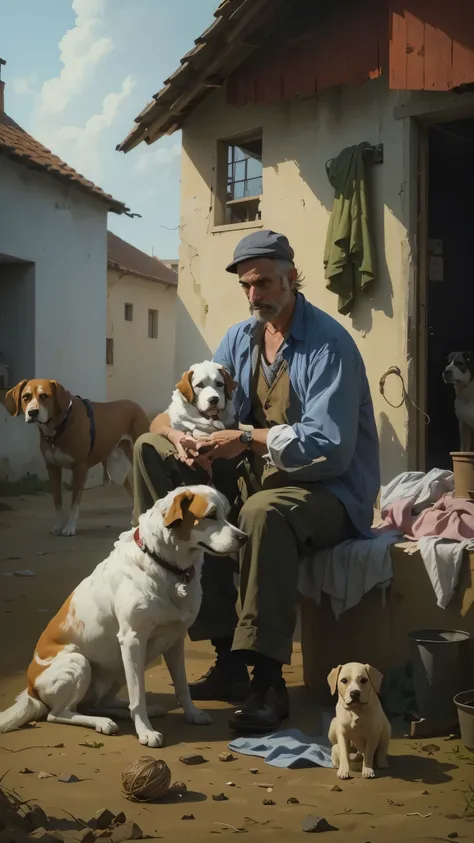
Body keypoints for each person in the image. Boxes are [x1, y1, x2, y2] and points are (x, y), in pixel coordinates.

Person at [133, 230, 380, 734]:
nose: (254, 295)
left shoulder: (328, 345)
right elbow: (172, 412)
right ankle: (225, 657)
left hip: (328, 491)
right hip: (256, 477)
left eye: (264, 282)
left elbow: (330, 448)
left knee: (260, 512)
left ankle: (267, 680)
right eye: (247, 286)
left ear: (290, 277)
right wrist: (181, 440)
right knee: (150, 451)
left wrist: (244, 438)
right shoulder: (240, 339)